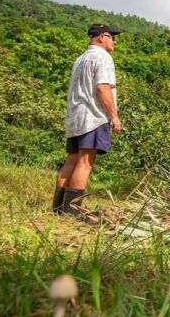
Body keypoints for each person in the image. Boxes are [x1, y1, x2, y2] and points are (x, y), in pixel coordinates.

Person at [52, 24, 122, 221]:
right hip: (93, 116)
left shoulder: (80, 59)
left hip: (75, 117)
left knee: (71, 160)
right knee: (85, 161)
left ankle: (58, 208)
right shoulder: (102, 57)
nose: (114, 41)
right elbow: (102, 88)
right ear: (101, 38)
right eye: (111, 37)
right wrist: (114, 116)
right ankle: (72, 212)